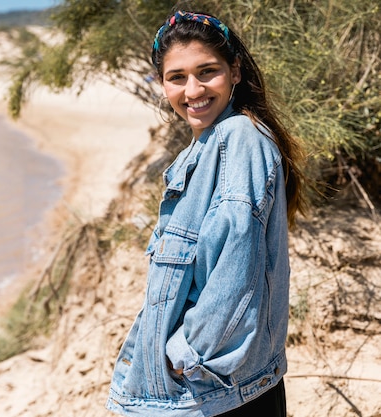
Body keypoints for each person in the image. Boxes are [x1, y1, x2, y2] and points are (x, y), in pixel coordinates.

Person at [106, 9, 308, 417]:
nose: (192, 89)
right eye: (176, 77)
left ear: (234, 71)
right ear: (161, 84)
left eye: (207, 71)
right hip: (219, 387)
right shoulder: (206, 147)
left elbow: (236, 268)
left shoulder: (240, 139)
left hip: (217, 390)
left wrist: (187, 353)